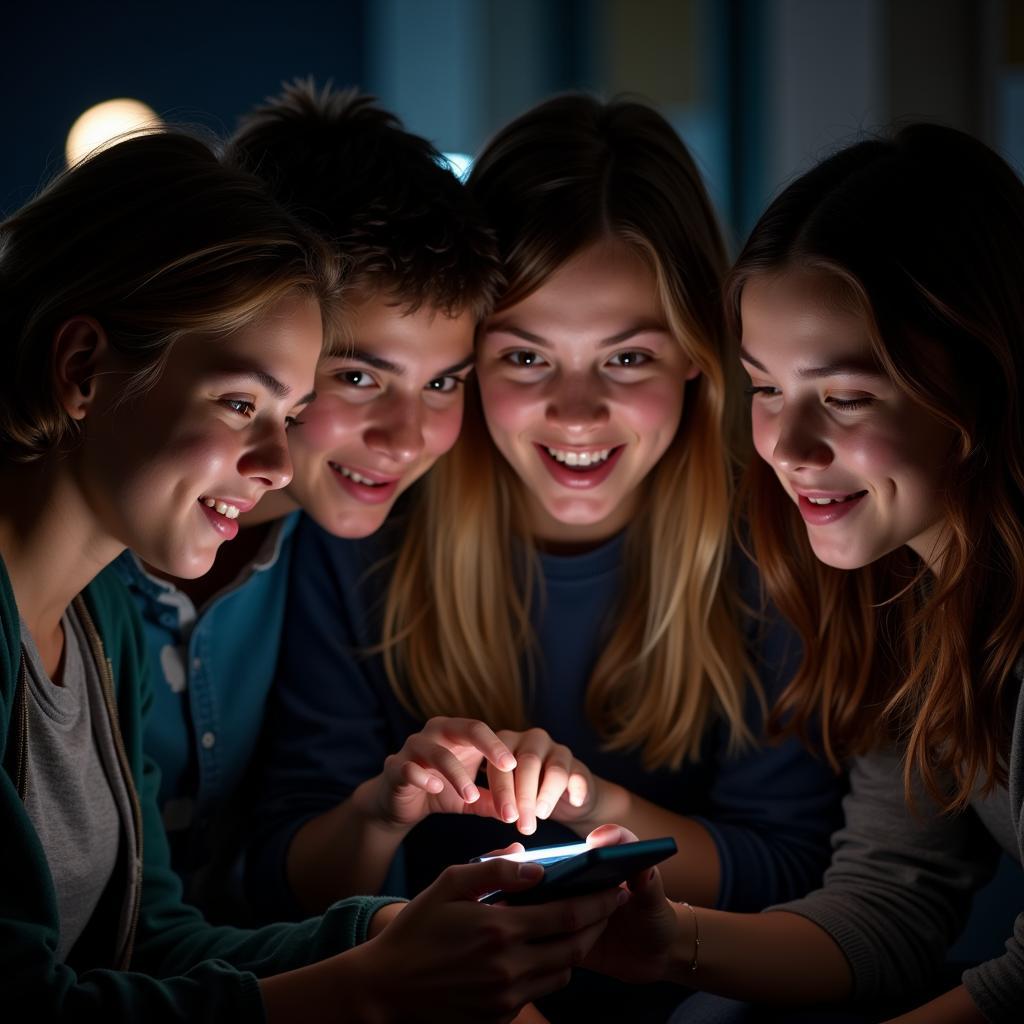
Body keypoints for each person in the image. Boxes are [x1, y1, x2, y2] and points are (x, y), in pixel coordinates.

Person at [0, 128, 624, 1023]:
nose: (279, 461)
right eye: (244, 403)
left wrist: (399, 931)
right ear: (83, 368)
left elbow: (151, 932)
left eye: (288, 411)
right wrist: (371, 981)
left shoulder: (92, 611)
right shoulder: (102, 575)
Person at [244, 95, 842, 1017]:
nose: (574, 411)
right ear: (467, 353)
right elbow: (284, 880)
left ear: (696, 353)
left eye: (629, 359)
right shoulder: (364, 526)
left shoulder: (780, 542)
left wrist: (594, 806)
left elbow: (789, 869)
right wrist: (381, 806)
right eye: (524, 358)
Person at [572, 123, 1024, 1024]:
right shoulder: (909, 599)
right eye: (766, 389)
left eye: (846, 397)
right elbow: (888, 902)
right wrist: (671, 943)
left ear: (983, 385)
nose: (786, 445)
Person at [111, 79, 501, 921]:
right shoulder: (85, 548)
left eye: (444, 382)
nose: (405, 437)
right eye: (359, 376)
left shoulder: (354, 563)